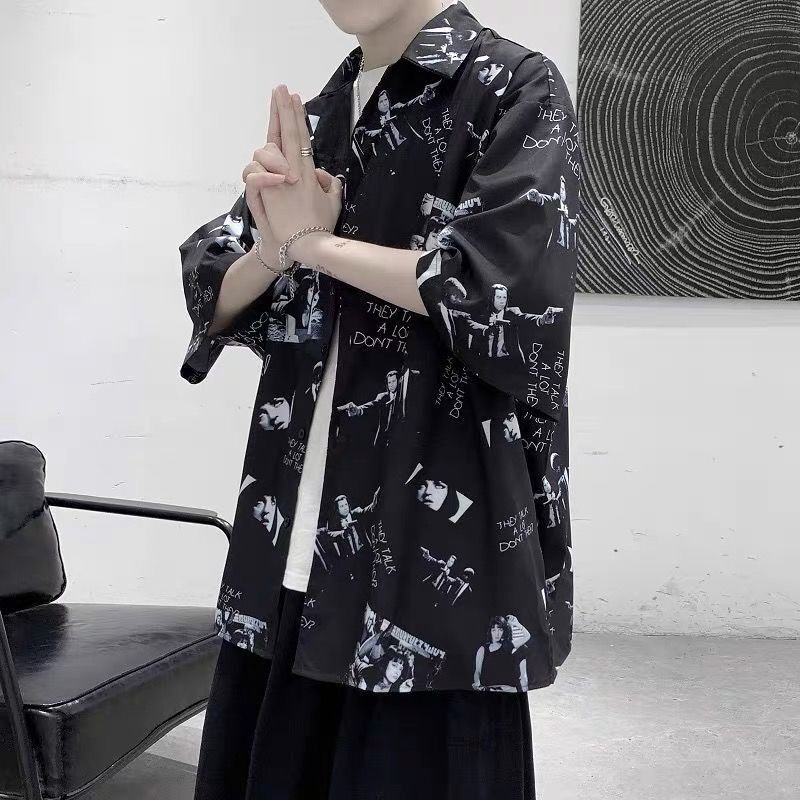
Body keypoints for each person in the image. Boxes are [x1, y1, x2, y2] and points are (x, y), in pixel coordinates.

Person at [184, 1, 579, 797]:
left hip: (431, 555)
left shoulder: (513, 87)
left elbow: (501, 291)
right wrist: (275, 248)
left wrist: (316, 244)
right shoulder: (325, 113)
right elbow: (216, 292)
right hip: (293, 538)